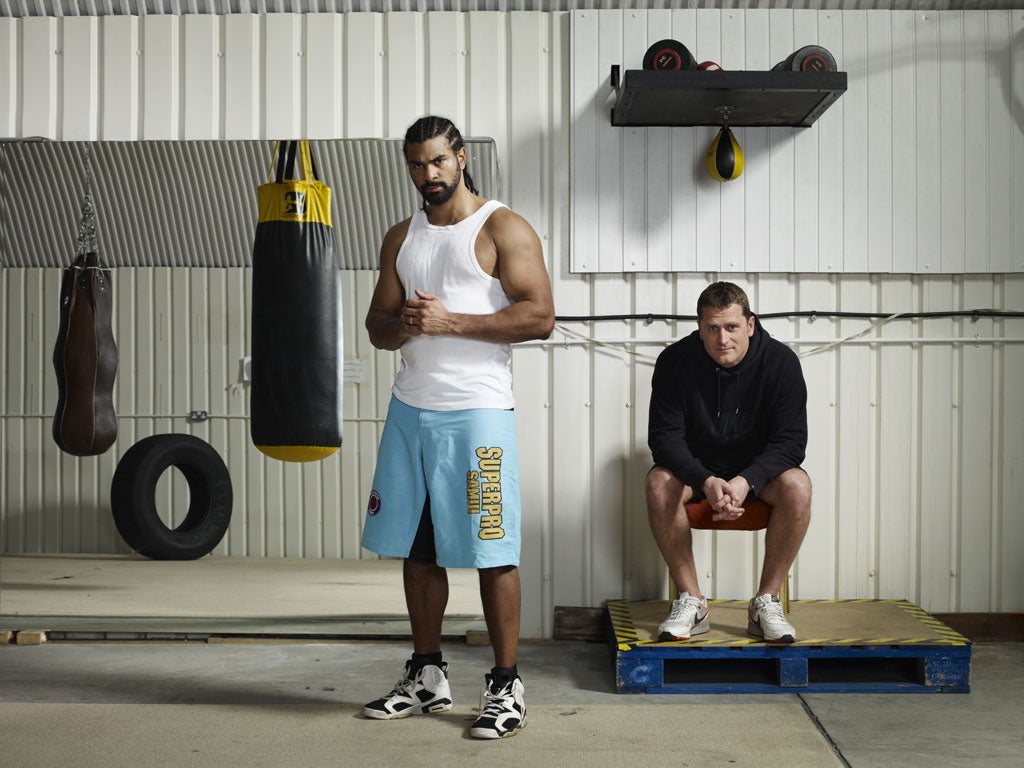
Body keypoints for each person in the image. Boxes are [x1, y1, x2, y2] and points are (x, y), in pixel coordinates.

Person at [359, 116, 554, 739]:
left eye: (438, 161)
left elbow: (541, 316)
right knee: (418, 548)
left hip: (477, 413)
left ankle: (505, 684)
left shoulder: (502, 226)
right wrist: (410, 327)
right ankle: (426, 675)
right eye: (417, 165)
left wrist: (451, 323)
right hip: (411, 409)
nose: (428, 174)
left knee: (490, 550)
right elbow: (377, 325)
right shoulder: (401, 236)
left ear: (461, 157)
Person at [646, 281, 811, 643]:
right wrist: (706, 480)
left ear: (750, 324)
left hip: (757, 476)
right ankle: (693, 600)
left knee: (798, 484)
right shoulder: (674, 362)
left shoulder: (782, 363)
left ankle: (765, 601)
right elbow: (664, 440)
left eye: (732, 327)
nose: (723, 338)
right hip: (697, 473)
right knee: (659, 481)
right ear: (700, 328)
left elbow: (791, 443)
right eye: (712, 328)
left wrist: (745, 481)